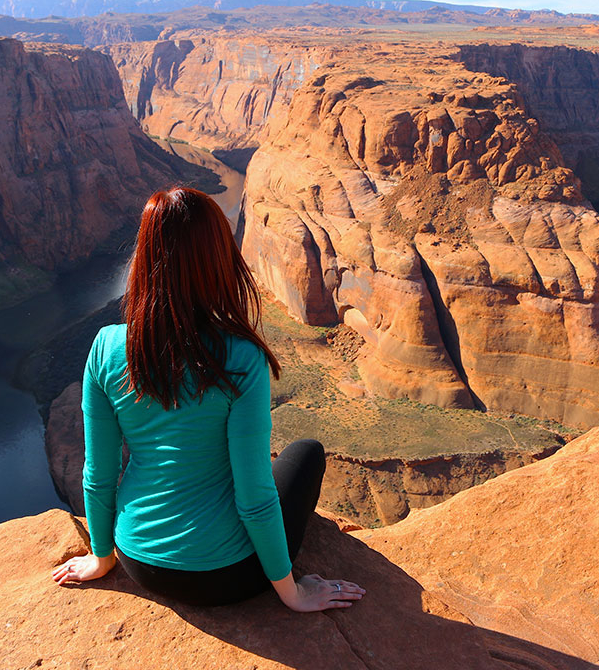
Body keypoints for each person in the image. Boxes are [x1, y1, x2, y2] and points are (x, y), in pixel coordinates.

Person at [51, 187, 366, 611]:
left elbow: (99, 472)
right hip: (229, 575)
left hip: (137, 561)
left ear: (144, 259)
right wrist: (294, 593)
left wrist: (101, 557)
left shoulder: (106, 347)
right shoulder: (240, 357)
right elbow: (254, 496)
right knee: (304, 455)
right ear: (220, 259)